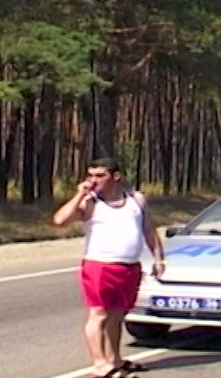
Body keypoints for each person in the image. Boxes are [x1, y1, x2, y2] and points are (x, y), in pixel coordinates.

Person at [53, 158, 166, 378]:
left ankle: (115, 358)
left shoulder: (136, 200)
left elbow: (149, 231)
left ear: (115, 177)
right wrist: (79, 195)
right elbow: (60, 220)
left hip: (129, 267)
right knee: (99, 314)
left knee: (117, 315)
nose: (93, 181)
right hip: (99, 266)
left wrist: (158, 259)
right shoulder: (90, 203)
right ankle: (99, 363)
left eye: (99, 175)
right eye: (90, 175)